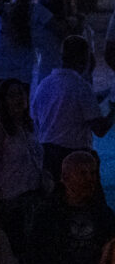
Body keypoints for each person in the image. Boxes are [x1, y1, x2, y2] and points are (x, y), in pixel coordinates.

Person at [23, 148, 115, 264]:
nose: (90, 179)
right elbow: (35, 259)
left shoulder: (102, 214)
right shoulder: (47, 215)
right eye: (82, 174)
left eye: (93, 173)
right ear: (65, 178)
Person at [33, 33, 112, 179]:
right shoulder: (81, 87)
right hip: (75, 156)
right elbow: (99, 129)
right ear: (84, 59)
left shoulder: (44, 84)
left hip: (47, 154)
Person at [0, 79, 43, 203]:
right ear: (4, 101)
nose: (18, 98)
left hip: (34, 193)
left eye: (20, 93)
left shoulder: (31, 127)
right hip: (10, 196)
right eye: (12, 95)